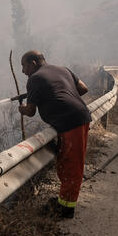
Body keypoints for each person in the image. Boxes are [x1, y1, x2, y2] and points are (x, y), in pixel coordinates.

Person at [18, 50, 90, 218]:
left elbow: (30, 111)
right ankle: (63, 201)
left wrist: (21, 108)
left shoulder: (34, 78)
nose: (22, 71)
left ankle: (66, 209)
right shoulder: (62, 69)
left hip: (70, 121)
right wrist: (62, 94)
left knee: (71, 165)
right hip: (79, 117)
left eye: (24, 66)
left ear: (33, 63)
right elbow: (83, 88)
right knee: (66, 162)